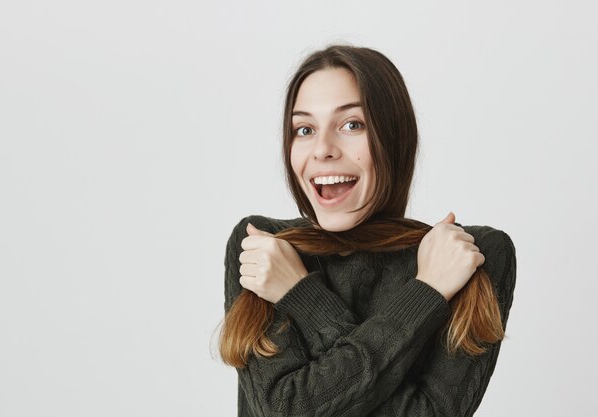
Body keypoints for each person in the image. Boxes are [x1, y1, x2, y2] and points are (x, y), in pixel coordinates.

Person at [218, 44, 517, 417]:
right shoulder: (265, 248)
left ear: (393, 137)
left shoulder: (468, 255)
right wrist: (427, 294)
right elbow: (285, 410)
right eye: (304, 128)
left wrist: (301, 297)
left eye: (351, 125)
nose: (322, 149)